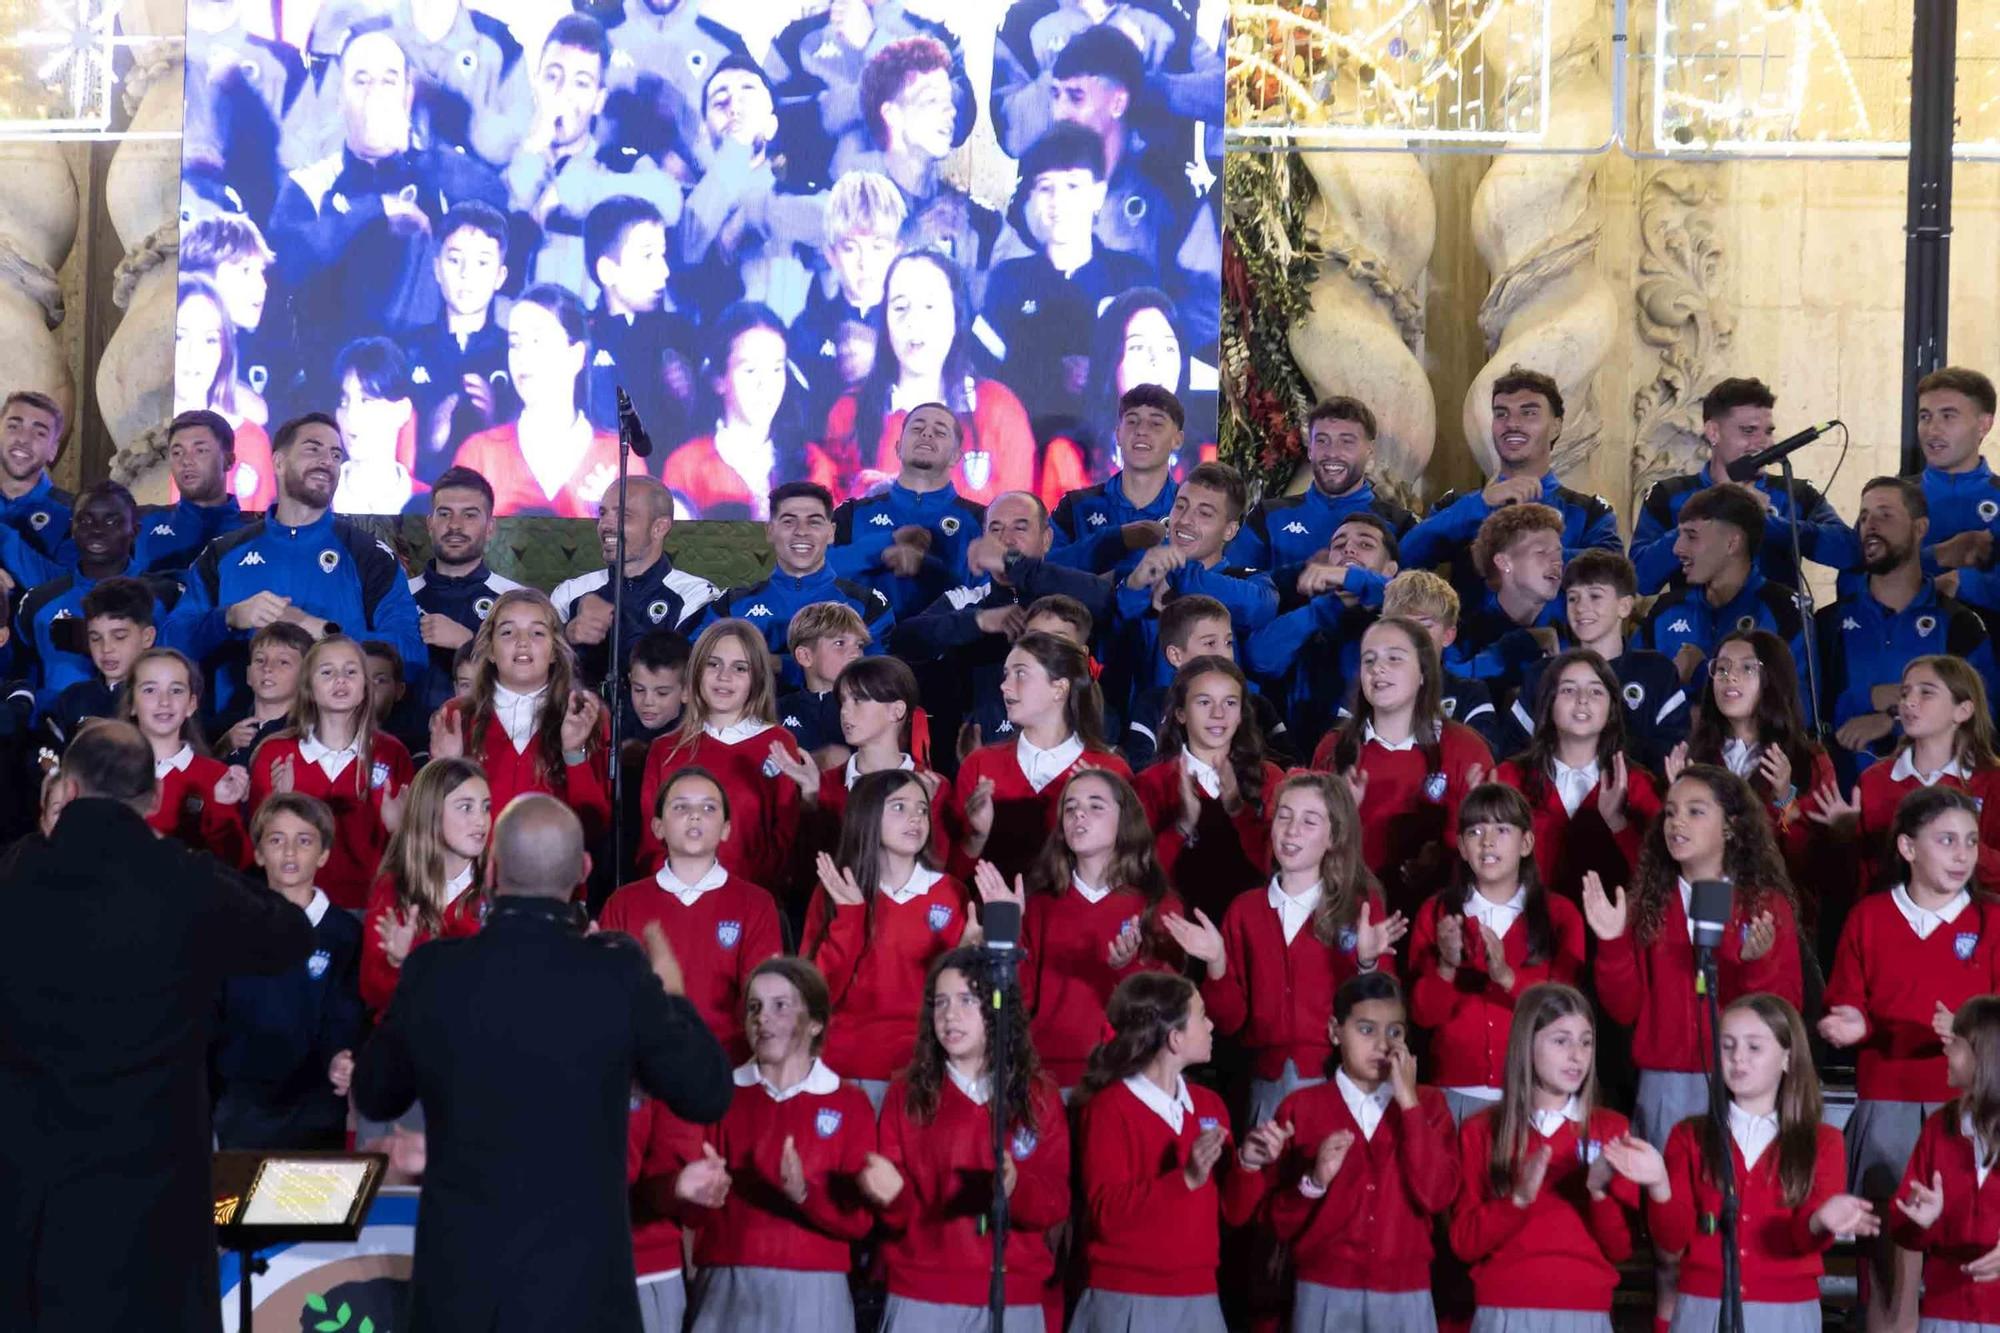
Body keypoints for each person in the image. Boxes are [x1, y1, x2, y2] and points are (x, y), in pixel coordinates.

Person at [352, 794, 734, 1333]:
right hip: (580, 1296)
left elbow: (374, 1093)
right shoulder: (617, 976)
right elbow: (709, 1091)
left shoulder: (435, 972)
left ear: (493, 869)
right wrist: (670, 994)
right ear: (583, 871)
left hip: (463, 1293)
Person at [0, 722, 312, 1332]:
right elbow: (290, 935)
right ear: (152, 797)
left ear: (68, 786)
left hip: (32, 1190)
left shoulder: (14, 876)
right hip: (154, 1191)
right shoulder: (183, 879)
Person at [1819, 786, 1997, 1331]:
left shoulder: (1992, 922)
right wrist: (1852, 1023)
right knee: (1889, 1263)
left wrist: (1970, 1036)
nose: (1962, 854)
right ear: (1907, 847)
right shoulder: (1869, 917)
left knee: (1967, 1253)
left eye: (1970, 841)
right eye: (1946, 840)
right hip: (1888, 1104)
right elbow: (1847, 1002)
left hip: (1974, 1109)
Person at [1586, 767, 1804, 1155]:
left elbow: (1786, 1011)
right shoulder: (1646, 905)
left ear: (1730, 826)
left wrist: (1752, 964)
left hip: (1744, 1081)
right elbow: (1624, 1009)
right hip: (1664, 1083)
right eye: (1670, 812)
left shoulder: (1766, 907)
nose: (1676, 822)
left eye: (1695, 811)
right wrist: (1612, 943)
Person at [1164, 769, 1403, 1122]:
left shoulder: (1359, 906)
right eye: (1284, 817)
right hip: (1266, 1084)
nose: (1291, 831)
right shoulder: (1245, 910)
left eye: (1309, 821)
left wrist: (1367, 964)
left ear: (1334, 836)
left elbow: (1386, 1012)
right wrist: (1216, 962)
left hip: (1343, 1080)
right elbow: (1229, 1023)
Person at [860, 947, 1071, 1330]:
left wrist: (1016, 1186)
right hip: (922, 1296)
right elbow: (900, 1213)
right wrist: (889, 1195)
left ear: (996, 1007)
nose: (949, 1016)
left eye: (966, 1001)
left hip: (1013, 1296)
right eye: (940, 1003)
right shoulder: (905, 1095)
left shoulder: (1039, 1096)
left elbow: (1057, 1200)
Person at [267, 26, 506, 361]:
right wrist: (376, 209)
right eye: (361, 81)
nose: (374, 94)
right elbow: (290, 263)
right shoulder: (310, 183)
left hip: (425, 374)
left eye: (388, 81)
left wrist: (421, 156)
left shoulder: (437, 171)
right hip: (338, 377)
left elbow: (496, 198)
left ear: (407, 96)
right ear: (339, 99)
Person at [1235, 973, 1459, 1331]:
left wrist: (1409, 1104)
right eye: (1367, 1030)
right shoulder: (1301, 1107)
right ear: (1335, 1031)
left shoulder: (1429, 1106)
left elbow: (1436, 1196)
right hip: (1323, 1291)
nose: (1383, 1045)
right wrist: (1313, 1181)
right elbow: (1275, 1222)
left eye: (1395, 1032)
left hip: (1405, 1293)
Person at [166, 411, 426, 713]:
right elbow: (170, 641)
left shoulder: (370, 555)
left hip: (342, 738)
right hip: (238, 737)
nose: (326, 461)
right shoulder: (223, 554)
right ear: (278, 462)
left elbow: (412, 656)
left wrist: (324, 632)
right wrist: (230, 618)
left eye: (335, 454)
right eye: (313, 449)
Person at [1646, 994, 1870, 1333]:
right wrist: (1659, 1186)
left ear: (1786, 1057)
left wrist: (1821, 1220)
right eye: (1728, 1046)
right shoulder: (1689, 1135)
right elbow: (1671, 1241)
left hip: (1785, 1310)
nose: (1738, 1058)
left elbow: (1805, 1239)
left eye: (1754, 1047)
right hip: (1703, 1304)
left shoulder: (1822, 1142)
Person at [680, 958, 876, 1333]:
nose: (762, 1018)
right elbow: (689, 1216)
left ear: (816, 1022)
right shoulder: (719, 1096)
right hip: (728, 1285)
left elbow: (860, 1220)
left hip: (816, 1291)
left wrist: (804, 1194)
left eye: (780, 1006)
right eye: (754, 1007)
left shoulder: (850, 1103)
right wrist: (700, 1195)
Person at [1447, 982, 1649, 1326]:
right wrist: (1518, 1200)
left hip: (1584, 1312)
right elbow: (1465, 1243)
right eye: (1561, 1041)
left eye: (1586, 1042)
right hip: (1505, 1311)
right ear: (1526, 1046)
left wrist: (1598, 1193)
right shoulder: (1481, 1130)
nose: (1577, 1055)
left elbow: (1620, 1248)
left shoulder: (1611, 1127)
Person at [976, 768, 1182, 1093]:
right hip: (1049, 1079)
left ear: (1124, 819)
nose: (1079, 815)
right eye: (1070, 808)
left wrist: (1127, 967)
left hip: (1129, 1079)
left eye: (1095, 806)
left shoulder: (1157, 902)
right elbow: (1011, 1002)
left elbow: (1171, 1008)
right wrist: (1007, 928)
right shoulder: (1040, 905)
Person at [1070, 973, 1254, 1333]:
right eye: (1202, 1015)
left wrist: (1249, 1165)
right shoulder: (1110, 1109)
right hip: (1128, 1300)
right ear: (1175, 1038)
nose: (1212, 1024)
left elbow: (1235, 1213)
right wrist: (1184, 1178)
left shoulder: (1210, 1105)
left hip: (1200, 1301)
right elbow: (1106, 1214)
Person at [1413, 783, 1587, 1122]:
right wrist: (1447, 967)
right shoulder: (1437, 912)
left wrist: (1507, 977)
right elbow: (1422, 1016)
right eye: (1475, 831)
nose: (1488, 842)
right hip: (1453, 1093)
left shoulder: (1559, 915)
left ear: (1526, 843)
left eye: (1502, 830)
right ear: (1462, 847)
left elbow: (1566, 1014)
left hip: (1533, 1093)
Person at [889, 490, 1114, 745]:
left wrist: (1012, 563)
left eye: (1020, 528)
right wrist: (980, 622)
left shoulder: (1072, 594)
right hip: (982, 754)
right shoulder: (968, 601)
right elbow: (904, 639)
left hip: (1072, 751)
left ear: (1047, 539)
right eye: (995, 530)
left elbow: (1105, 599)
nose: (1006, 540)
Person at [980, 122, 1152, 445]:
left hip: (1114, 455)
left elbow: (1161, 377)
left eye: (1073, 186)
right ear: (1031, 195)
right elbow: (982, 377)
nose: (1058, 202)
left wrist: (1101, 376)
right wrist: (1049, 375)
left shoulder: (1134, 279)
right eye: (1046, 187)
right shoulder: (1008, 280)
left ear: (1098, 194)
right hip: (1028, 449)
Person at [1818, 475, 2000, 777]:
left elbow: (1983, 724)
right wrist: (1868, 696)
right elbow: (1807, 716)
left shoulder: (1960, 625)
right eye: (1864, 517)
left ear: (1920, 529)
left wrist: (1895, 719)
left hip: (1933, 806)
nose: (1871, 525)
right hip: (1842, 809)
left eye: (1885, 515)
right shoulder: (1828, 624)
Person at [600, 767, 784, 1061]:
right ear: (658, 827)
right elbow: (609, 997)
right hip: (646, 1068)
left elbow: (763, 999)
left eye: (709, 808)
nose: (695, 816)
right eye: (681, 807)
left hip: (728, 1069)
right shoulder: (624, 903)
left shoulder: (756, 903)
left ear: (726, 828)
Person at [825, 248, 1035, 505]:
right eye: (900, 307)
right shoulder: (848, 414)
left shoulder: (999, 409)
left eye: (930, 306)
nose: (913, 321)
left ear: (956, 316)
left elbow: (1017, 530)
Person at [214, 792, 364, 1150]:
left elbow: (348, 1014)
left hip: (315, 1111)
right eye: (277, 840)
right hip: (243, 1111)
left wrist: (342, 1057)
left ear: (324, 853)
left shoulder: (344, 933)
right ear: (260, 853)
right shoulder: (231, 928)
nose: (290, 852)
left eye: (304, 841)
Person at [1399, 367, 1622, 607]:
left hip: (1558, 643)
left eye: (1529, 413)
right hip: (1473, 643)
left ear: (1556, 427)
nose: (1512, 424)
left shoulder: (1590, 512)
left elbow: (1614, 574)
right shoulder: (1458, 505)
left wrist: (1522, 554)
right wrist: (1481, 504)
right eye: (1501, 414)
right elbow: (1405, 558)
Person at [1313, 617, 1493, 913]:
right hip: (1347, 914)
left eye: (1394, 658)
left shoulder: (1465, 748)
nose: (1377, 668)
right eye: (1368, 660)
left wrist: (1449, 844)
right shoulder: (1333, 749)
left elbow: (1494, 850)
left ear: (1424, 671)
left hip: (1441, 916)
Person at [503, 14, 682, 294]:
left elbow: (669, 201)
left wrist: (568, 193)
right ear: (536, 84)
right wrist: (534, 148)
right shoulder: (507, 155)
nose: (563, 93)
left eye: (581, 83)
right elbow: (506, 207)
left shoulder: (618, 164)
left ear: (599, 100)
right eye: (553, 77)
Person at [1629, 376, 1860, 593]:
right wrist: (1708, 517)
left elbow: (1848, 551)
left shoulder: (1797, 493)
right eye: (1748, 431)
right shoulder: (1669, 494)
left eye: (1768, 432)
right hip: (1695, 630)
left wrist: (1766, 522)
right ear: (1713, 432)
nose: (1764, 442)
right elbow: (1641, 580)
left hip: (1776, 631)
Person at [248, 635, 417, 910]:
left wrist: (400, 827)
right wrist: (279, 804)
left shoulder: (392, 752)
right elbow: (255, 846)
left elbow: (414, 845)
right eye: (327, 672)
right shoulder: (274, 753)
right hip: (292, 909)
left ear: (365, 685)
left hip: (371, 907)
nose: (340, 679)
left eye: (351, 671)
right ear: (308, 688)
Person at [428, 588, 612, 841]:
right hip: (475, 874)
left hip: (554, 873)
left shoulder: (584, 713)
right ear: (490, 650)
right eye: (507, 632)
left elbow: (594, 824)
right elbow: (430, 822)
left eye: (537, 632)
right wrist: (445, 767)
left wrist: (573, 753)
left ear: (555, 650)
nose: (522, 641)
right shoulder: (457, 714)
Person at [1810, 655, 2000, 900]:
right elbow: (1859, 886)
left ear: (1962, 711)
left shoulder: (1992, 781)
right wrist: (1847, 837)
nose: (1909, 702)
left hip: (1975, 927)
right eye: (1905, 693)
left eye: (1926, 693)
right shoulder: (1874, 781)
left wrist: (1951, 843)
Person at [634, 618, 806, 888]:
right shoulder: (665, 749)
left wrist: (749, 895)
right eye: (713, 664)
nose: (724, 677)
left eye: (739, 668)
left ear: (757, 678)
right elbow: (651, 839)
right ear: (696, 672)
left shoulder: (778, 743)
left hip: (754, 903)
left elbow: (786, 836)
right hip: (675, 900)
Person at [951, 630, 1133, 883]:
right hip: (994, 918)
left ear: (1059, 688)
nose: (1004, 686)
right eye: (1006, 674)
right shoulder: (980, 764)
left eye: (1021, 674)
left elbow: (1128, 872)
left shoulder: (1109, 770)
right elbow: (952, 879)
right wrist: (977, 836)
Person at [450, 284, 644, 517]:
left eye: (537, 341)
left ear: (575, 355)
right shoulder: (479, 455)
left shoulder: (619, 457)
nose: (523, 356)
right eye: (515, 344)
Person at [1488, 650, 1661, 903]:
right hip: (1525, 927)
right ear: (1549, 703)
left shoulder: (1638, 784)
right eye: (1569, 690)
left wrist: (1617, 823)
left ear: (1612, 708)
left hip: (1613, 932)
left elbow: (1657, 877)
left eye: (1596, 691)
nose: (1582, 700)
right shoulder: (1508, 778)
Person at [1502, 550, 1687, 768]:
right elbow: (1515, 754)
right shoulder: (1542, 674)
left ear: (1624, 606)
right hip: (1552, 798)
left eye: (1595, 596)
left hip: (1637, 797)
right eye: (1573, 598)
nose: (1581, 607)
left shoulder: (1656, 672)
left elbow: (1671, 753)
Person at [1133, 655, 1283, 921]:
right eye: (1204, 702)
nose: (1218, 714)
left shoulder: (1270, 778)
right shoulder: (1151, 783)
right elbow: (1138, 878)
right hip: (1174, 932)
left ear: (1241, 715)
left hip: (1250, 929)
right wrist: (1181, 827)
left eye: (1230, 703)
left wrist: (1238, 810)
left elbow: (1279, 870)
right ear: (1180, 713)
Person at [1637, 481, 1813, 704]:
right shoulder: (1665, 610)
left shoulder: (1786, 612)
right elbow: (1633, 695)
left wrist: (1702, 673)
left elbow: (1797, 712)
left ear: (1732, 544)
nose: (1677, 549)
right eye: (1679, 535)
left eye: (1691, 536)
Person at [1109, 459, 1277, 692]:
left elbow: (1259, 608)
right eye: (1180, 505)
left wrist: (1179, 571)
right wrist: (1134, 588)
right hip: (1146, 723)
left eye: (1204, 513)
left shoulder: (1250, 582)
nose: (1185, 520)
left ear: (1229, 530)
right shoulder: (1140, 572)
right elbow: (1112, 641)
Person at [660, 302, 838, 518]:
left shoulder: (813, 463)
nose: (765, 384)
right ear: (719, 379)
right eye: (750, 370)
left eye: (776, 369)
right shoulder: (685, 468)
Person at [1243, 514, 1401, 755]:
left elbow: (1398, 592)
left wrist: (1351, 577)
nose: (1348, 549)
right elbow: (1259, 658)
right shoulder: (1305, 610)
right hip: (1300, 765)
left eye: (1365, 544)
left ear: (1390, 569)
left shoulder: (1403, 618)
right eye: (1338, 546)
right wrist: (1327, 608)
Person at [1227, 395, 1415, 595]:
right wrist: (1298, 574)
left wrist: (1350, 579)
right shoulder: (1269, 515)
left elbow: (1417, 598)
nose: (1332, 453)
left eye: (1347, 442)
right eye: (1322, 440)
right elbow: (1233, 589)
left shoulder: (1400, 525)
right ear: (1310, 450)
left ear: (1370, 451)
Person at [1888, 995, 2000, 1330]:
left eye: (1957, 1044)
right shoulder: (1939, 1127)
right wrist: (1920, 1220)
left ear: (1987, 1056)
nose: (1946, 1051)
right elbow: (1902, 1228)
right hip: (1944, 1314)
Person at [15, 481, 175, 710]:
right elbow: (22, 674)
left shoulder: (164, 596)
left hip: (137, 733)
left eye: (112, 521)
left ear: (135, 530)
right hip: (58, 735)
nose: (97, 530)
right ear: (72, 528)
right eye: (85, 520)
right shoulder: (39, 601)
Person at [551, 476, 722, 687]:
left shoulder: (695, 596)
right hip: (587, 718)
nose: (605, 525)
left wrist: (614, 623)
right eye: (602, 513)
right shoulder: (570, 593)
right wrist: (568, 634)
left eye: (623, 515)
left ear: (659, 527)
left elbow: (681, 675)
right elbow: (540, 671)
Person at [358, 756, 491, 1019]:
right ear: (430, 813)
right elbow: (371, 992)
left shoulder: (498, 890)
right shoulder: (393, 887)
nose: (481, 821)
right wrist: (396, 962)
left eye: (486, 807)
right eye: (466, 807)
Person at [707, 482, 894, 667]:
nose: (801, 532)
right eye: (789, 522)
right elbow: (699, 665)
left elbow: (877, 680)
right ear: (770, 531)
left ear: (831, 532)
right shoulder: (729, 607)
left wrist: (778, 664)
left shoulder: (868, 605)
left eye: (814, 522)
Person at [828, 399, 985, 617]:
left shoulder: (981, 520)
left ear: (956, 456)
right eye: (917, 428)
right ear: (898, 448)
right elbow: (816, 571)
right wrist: (882, 549)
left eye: (939, 432)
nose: (926, 434)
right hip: (859, 646)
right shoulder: (852, 513)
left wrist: (927, 566)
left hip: (948, 647)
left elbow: (992, 595)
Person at [583, 194, 699, 455]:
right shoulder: (582, 340)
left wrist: (689, 398)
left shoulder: (682, 335)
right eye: (648, 256)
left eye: (663, 255)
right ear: (608, 271)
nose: (664, 270)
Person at [406, 202, 517, 472]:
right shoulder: (407, 350)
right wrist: (428, 440)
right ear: (436, 268)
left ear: (500, 276)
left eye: (482, 262)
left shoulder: (515, 352)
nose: (466, 274)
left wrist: (493, 421)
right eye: (455, 260)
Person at [791, 170, 906, 429]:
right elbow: (796, 425)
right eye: (851, 248)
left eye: (878, 247)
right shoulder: (808, 328)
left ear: (897, 251)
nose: (865, 263)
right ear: (831, 255)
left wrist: (882, 364)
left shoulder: (915, 327)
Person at [125, 646, 253, 867]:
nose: (164, 701)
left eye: (176, 690)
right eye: (149, 690)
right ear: (132, 704)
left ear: (191, 704)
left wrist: (222, 808)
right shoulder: (109, 771)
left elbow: (238, 863)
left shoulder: (217, 776)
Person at [409, 466, 523, 714]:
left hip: (489, 740)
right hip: (407, 745)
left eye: (469, 515)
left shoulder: (515, 601)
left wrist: (468, 643)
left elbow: (535, 678)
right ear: (430, 524)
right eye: (445, 514)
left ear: (490, 527)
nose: (455, 526)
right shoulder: (400, 596)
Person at [1048, 382, 1183, 578]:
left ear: (1177, 440)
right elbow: (1046, 573)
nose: (1141, 431)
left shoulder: (1189, 512)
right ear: (1118, 435)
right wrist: (1115, 540)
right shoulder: (1076, 506)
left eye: (1156, 423)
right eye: (1132, 421)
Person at [174, 275, 277, 510]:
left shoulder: (251, 442)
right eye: (180, 336)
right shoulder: (144, 441)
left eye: (210, 340)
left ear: (224, 351)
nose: (194, 354)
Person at [1905, 366, 2000, 611]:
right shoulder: (1891, 499)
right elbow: (1855, 583)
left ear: (1984, 425)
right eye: (1925, 416)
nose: (1932, 430)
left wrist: (1962, 582)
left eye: (1948, 416)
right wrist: (1938, 555)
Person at [1451, 503, 1565, 684]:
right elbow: (1447, 685)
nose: (1557, 562)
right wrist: (1522, 642)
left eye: (1558, 553)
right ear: (1504, 562)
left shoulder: (1575, 623)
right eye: (1541, 552)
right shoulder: (1464, 634)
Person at [40, 575, 157, 752]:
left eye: (119, 637)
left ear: (147, 637)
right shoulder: (73, 698)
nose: (106, 648)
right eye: (95, 638)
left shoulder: (163, 699)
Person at [133, 408, 253, 574]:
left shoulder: (256, 533)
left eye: (200, 450)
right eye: (177, 452)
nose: (186, 461)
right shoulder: (141, 522)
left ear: (229, 461)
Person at [329, 337, 426, 516]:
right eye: (344, 402)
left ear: (402, 411)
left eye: (366, 400)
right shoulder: (307, 503)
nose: (351, 415)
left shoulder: (432, 506)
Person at [776, 602, 871, 756]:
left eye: (859, 645)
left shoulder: (874, 707)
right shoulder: (776, 711)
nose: (855, 654)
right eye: (840, 643)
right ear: (805, 656)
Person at [0, 388, 72, 564]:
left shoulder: (74, 515)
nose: (24, 439)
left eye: (39, 433)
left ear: (53, 451)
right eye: (14, 426)